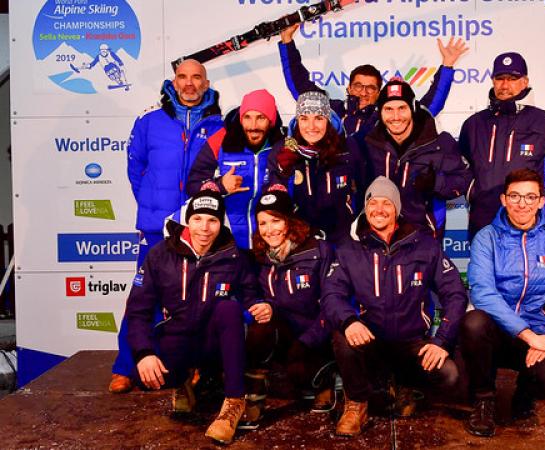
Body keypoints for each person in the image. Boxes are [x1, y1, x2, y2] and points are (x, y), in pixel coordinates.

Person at [321, 177, 468, 437]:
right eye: (373, 203)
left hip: (411, 343)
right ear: (365, 208)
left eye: (387, 203)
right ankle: (357, 403)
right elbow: (332, 294)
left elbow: (455, 293)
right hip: (372, 342)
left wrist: (442, 340)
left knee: (450, 375)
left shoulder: (424, 245)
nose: (379, 209)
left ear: (397, 209)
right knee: (342, 336)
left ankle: (406, 387)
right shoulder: (349, 249)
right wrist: (349, 320)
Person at [111, 59, 223, 394]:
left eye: (196, 78)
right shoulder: (149, 120)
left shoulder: (220, 123)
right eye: (182, 77)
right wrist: (153, 204)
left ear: (206, 82)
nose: (189, 84)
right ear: (173, 81)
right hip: (155, 225)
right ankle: (126, 367)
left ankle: (192, 367)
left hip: (198, 226)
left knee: (199, 298)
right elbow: (135, 168)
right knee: (142, 298)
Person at [460, 168, 545, 437]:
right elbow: (483, 293)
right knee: (473, 322)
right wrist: (527, 334)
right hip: (495, 333)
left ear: (541, 201)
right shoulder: (486, 238)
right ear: (503, 199)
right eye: (515, 196)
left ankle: (525, 392)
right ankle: (484, 400)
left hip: (536, 336)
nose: (522, 204)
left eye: (530, 197)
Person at [125, 187, 263, 444]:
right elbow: (137, 311)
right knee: (145, 377)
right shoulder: (160, 255)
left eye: (212, 220)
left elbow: (251, 294)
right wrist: (144, 353)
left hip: (213, 343)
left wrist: (260, 305)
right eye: (198, 219)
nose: (204, 228)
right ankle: (183, 381)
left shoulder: (234, 256)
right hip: (176, 338)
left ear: (220, 224)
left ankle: (234, 402)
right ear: (187, 220)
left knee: (229, 308)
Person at [241, 185, 336, 427]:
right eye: (263, 223)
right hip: (286, 334)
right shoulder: (260, 258)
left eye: (276, 221)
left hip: (317, 337)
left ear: (290, 222)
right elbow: (250, 294)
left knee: (301, 373)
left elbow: (333, 303)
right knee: (258, 329)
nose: (269, 230)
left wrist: (309, 341)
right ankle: (253, 401)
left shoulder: (319, 250)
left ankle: (324, 381)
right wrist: (263, 306)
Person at [459, 52, 545, 239]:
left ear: (525, 81)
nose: (505, 85)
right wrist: (473, 192)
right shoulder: (473, 124)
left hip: (531, 230)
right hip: (483, 227)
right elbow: (459, 170)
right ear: (492, 81)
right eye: (500, 78)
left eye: (513, 78)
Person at [278, 24, 468, 136]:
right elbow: (300, 86)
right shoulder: (332, 110)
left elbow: (430, 107)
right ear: (349, 87)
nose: (363, 91)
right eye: (358, 85)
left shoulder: (385, 117)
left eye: (371, 88)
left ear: (379, 92)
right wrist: (287, 42)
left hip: (376, 195)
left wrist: (447, 66)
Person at [358, 78, 471, 240]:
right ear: (380, 112)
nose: (396, 116)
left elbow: (465, 180)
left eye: (402, 108)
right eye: (388, 109)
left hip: (423, 236)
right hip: (378, 235)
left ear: (412, 109)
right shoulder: (367, 144)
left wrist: (436, 183)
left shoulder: (439, 143)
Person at [188, 88, 285, 249]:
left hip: (269, 243)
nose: (253, 126)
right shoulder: (221, 141)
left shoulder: (282, 147)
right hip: (227, 243)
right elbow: (192, 184)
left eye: (261, 118)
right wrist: (220, 186)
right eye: (247, 117)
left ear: (271, 120)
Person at [268, 90, 363, 244]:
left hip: (344, 239)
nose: (311, 126)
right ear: (297, 121)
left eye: (318, 118)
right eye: (304, 118)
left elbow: (362, 187)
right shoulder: (284, 149)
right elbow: (275, 199)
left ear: (328, 120)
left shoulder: (347, 147)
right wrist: (283, 172)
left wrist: (352, 220)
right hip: (301, 241)